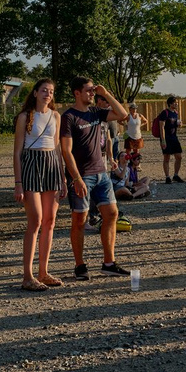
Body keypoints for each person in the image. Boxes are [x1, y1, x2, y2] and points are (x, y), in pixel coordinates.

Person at [60, 77, 131, 280]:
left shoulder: (95, 113)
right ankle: (80, 265)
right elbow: (66, 151)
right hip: (82, 176)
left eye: (93, 91)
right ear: (77, 93)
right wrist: (76, 178)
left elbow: (122, 114)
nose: (92, 94)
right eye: (89, 91)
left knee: (111, 214)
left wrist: (105, 93)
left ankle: (109, 263)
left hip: (101, 173)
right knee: (79, 220)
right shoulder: (69, 117)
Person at [13, 79, 66, 291]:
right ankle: (28, 276)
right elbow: (17, 152)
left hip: (51, 165)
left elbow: (57, 148)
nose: (48, 94)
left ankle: (43, 272)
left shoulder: (55, 116)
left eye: (51, 91)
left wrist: (62, 178)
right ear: (35, 93)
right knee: (35, 220)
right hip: (31, 166)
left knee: (50, 221)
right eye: (44, 90)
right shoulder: (24, 117)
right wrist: (18, 183)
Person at [156, 96, 184, 183]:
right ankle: (167, 177)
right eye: (175, 102)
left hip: (174, 138)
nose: (176, 104)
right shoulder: (165, 113)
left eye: (177, 102)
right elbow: (162, 127)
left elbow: (175, 125)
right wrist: (163, 140)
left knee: (179, 157)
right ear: (170, 103)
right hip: (166, 138)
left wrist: (179, 124)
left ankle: (176, 175)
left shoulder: (175, 113)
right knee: (167, 157)